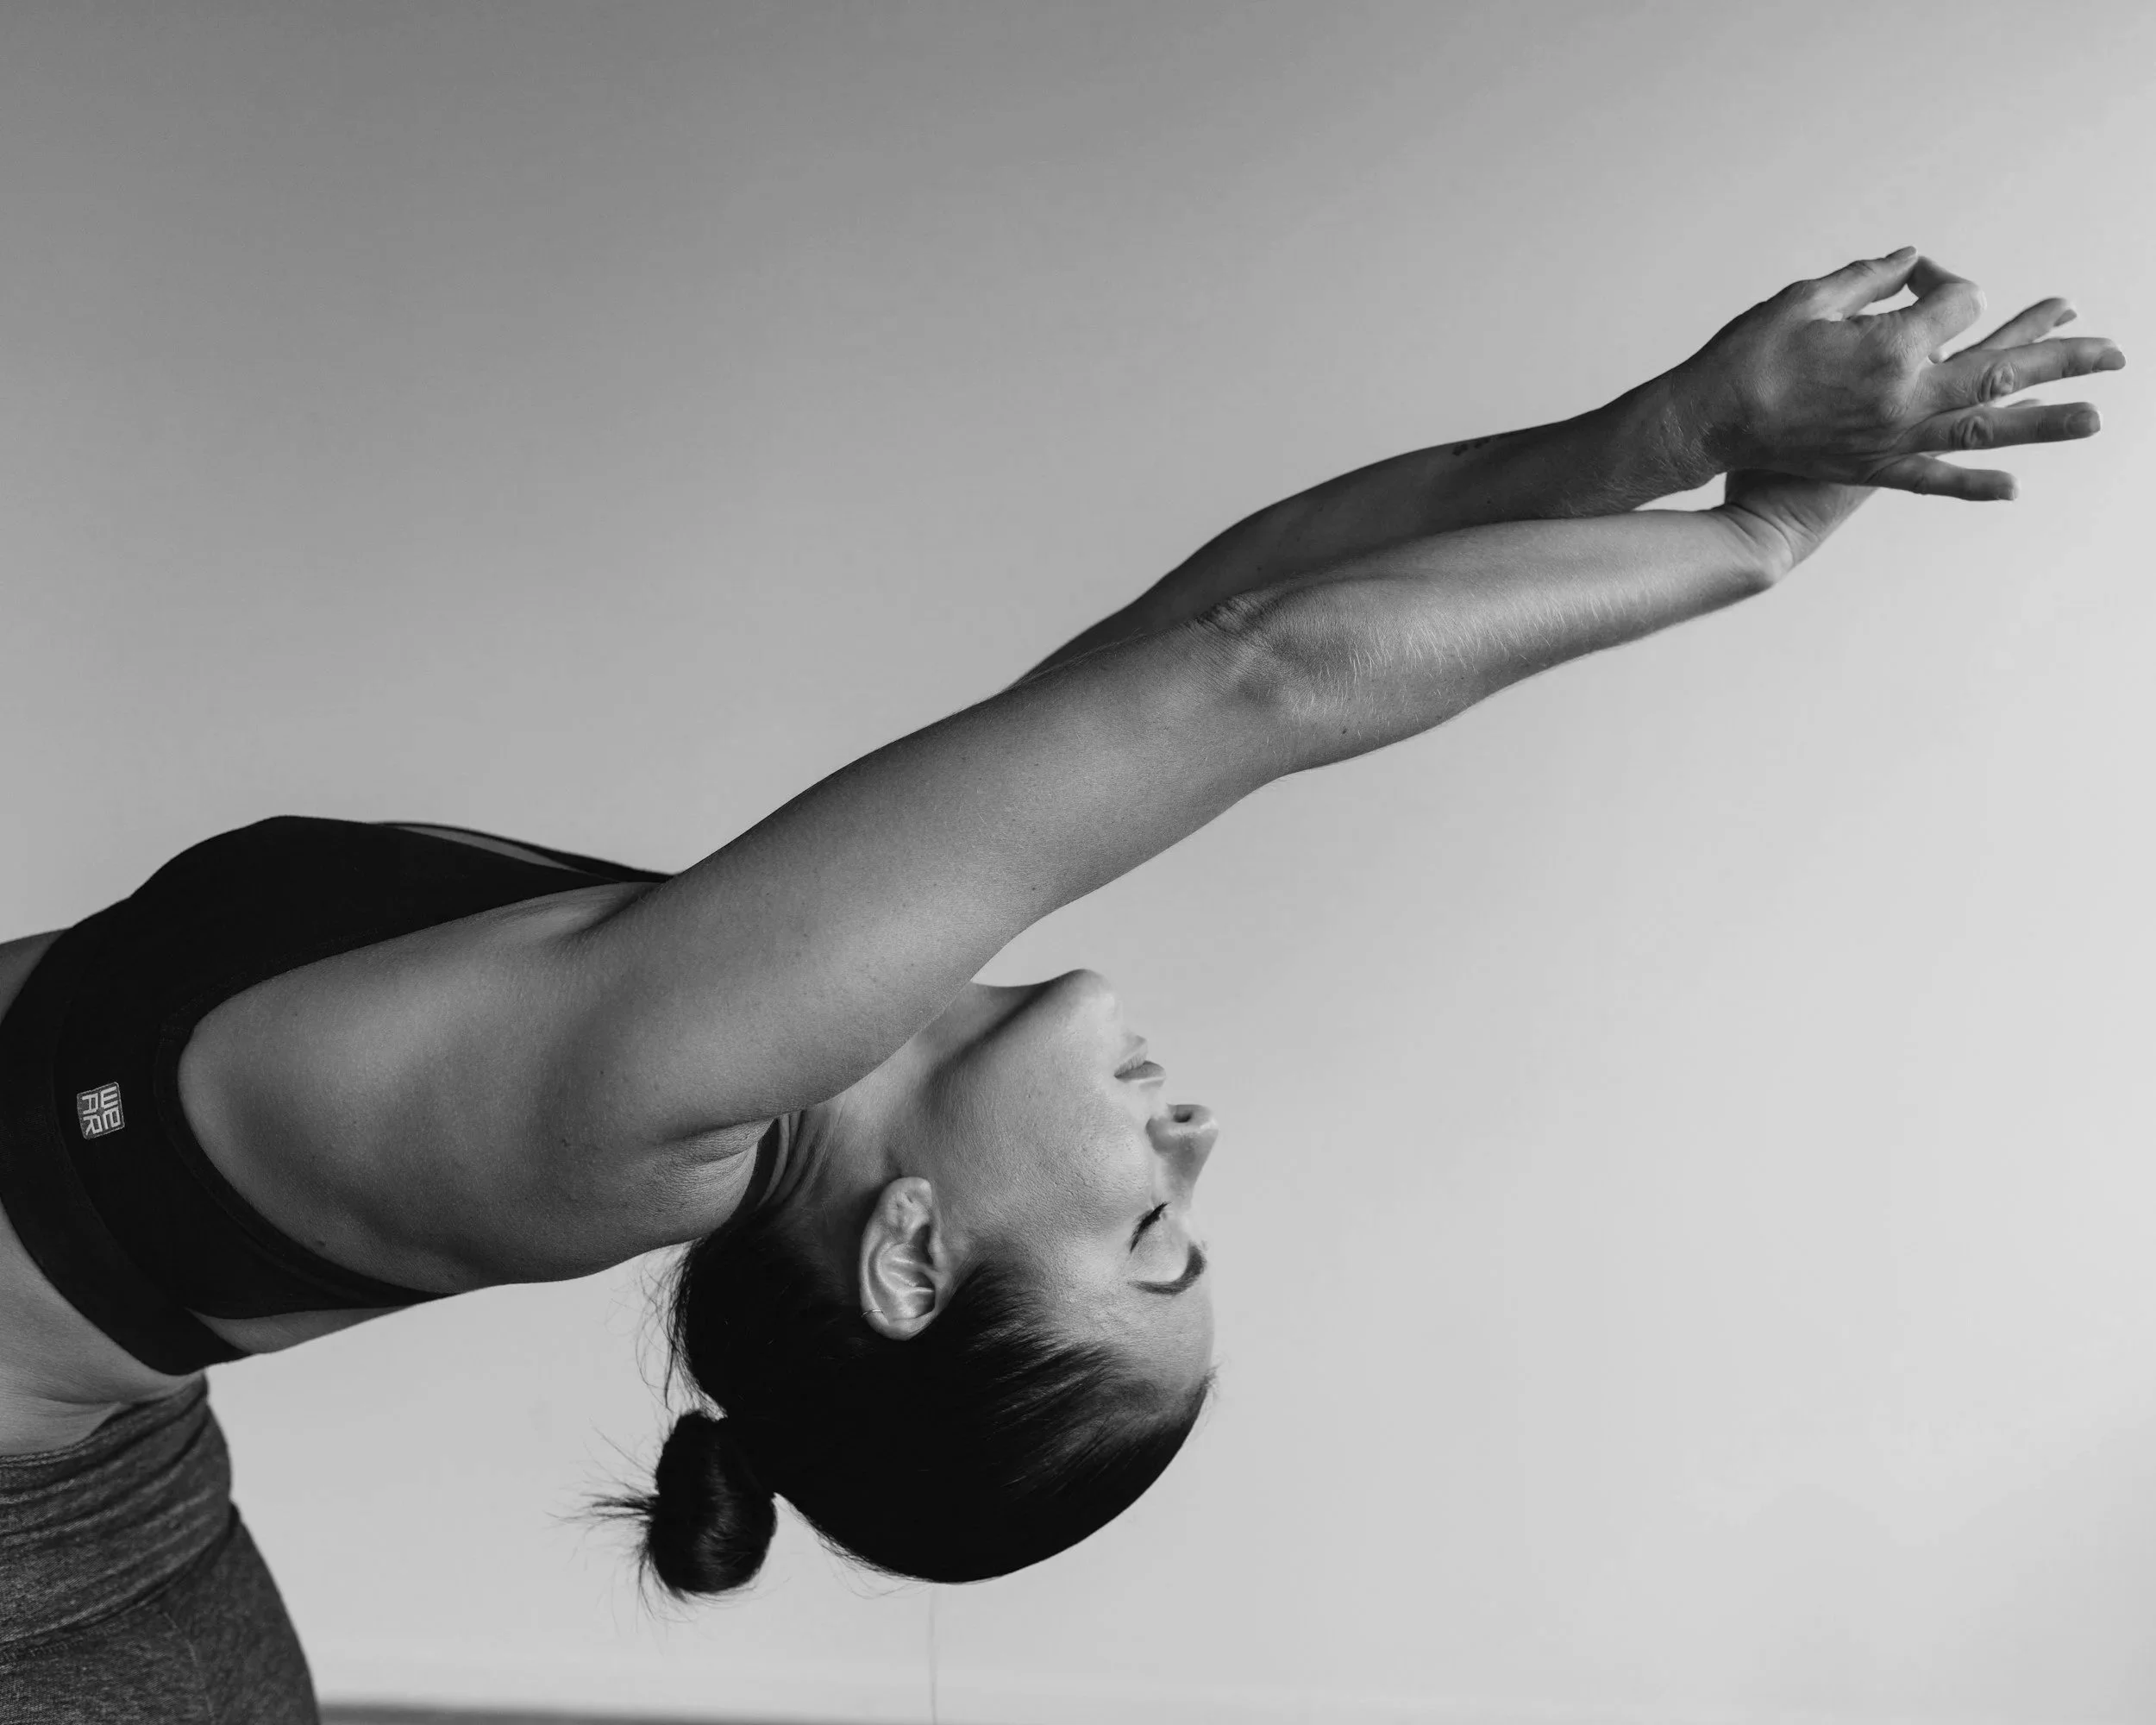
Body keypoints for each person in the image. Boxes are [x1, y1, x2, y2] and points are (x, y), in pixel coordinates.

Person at [0, 249, 2124, 1721]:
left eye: (1148, 1223)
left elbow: (1263, 683)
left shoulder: (649, 1109)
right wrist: (1668, 427)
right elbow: (1237, 605)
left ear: (912, 1259)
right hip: (110, 1478)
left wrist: (1763, 540)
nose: (1194, 1132)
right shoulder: (791, 1013)